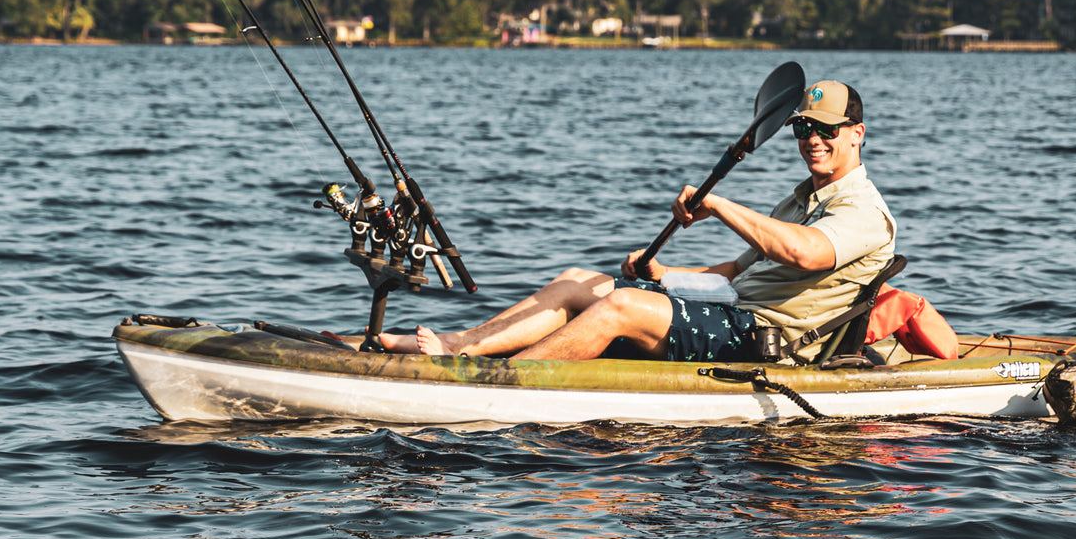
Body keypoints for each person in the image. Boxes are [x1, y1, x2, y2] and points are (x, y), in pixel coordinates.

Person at [376, 80, 897, 362]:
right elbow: (736, 274)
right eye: (803, 128)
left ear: (857, 133)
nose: (813, 139)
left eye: (827, 129)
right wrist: (665, 276)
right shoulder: (802, 197)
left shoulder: (864, 210)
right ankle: (459, 346)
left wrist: (717, 205)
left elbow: (804, 253)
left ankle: (511, 380)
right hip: (731, 311)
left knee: (621, 304)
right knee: (579, 280)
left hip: (764, 339)